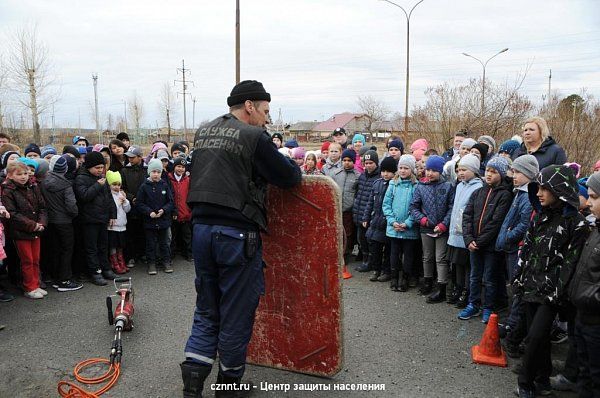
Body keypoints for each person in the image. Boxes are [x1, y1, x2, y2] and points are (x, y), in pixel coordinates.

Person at [182, 80, 302, 396]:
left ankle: (192, 383)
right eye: (264, 111)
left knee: (207, 308)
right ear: (249, 106)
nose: (266, 119)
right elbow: (289, 177)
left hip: (201, 231)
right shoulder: (253, 136)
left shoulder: (204, 131)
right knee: (236, 312)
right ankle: (229, 385)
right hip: (236, 234)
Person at [512, 164, 589, 398]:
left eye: (544, 188)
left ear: (560, 189)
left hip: (552, 293)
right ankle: (542, 379)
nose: (538, 193)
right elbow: (527, 248)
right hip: (530, 286)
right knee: (540, 338)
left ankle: (524, 382)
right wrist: (519, 277)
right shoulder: (541, 216)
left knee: (535, 336)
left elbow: (570, 263)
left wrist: (558, 293)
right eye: (538, 187)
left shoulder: (577, 224)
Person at [458, 156, 513, 323]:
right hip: (473, 244)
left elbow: (496, 222)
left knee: (489, 278)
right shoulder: (478, 192)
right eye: (488, 170)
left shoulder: (505, 195)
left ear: (502, 174)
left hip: (489, 246)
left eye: (494, 171)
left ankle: (489, 306)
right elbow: (467, 215)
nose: (489, 174)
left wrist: (480, 242)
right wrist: (469, 239)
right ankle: (473, 304)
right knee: (474, 276)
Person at [496, 155, 539, 351]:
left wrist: (507, 237)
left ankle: (513, 329)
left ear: (529, 175)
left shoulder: (529, 197)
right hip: (510, 247)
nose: (513, 175)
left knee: (517, 288)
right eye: (513, 171)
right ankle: (511, 324)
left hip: (516, 248)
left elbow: (524, 224)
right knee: (512, 287)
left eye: (518, 172)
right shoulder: (519, 192)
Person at [568, 172, 600, 398]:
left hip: (596, 319)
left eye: (594, 197)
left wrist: (591, 299)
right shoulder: (595, 229)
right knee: (584, 373)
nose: (588, 202)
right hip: (583, 314)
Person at [409, 155, 454, 302]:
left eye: (434, 170)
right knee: (427, 256)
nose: (430, 173)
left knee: (440, 258)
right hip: (426, 228)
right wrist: (422, 220)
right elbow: (414, 207)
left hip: (442, 229)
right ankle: (427, 281)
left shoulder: (448, 186)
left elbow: (451, 207)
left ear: (440, 171)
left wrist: (444, 224)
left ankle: (441, 287)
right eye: (428, 169)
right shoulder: (420, 187)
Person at [3, 161, 47, 299]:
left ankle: (36, 284)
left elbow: (42, 207)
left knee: (36, 258)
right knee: (27, 260)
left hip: (36, 229)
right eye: (19, 174)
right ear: (10, 175)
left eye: (25, 173)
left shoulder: (33, 186)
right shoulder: (8, 190)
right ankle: (29, 287)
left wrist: (41, 223)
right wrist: (32, 225)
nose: (23, 177)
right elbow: (13, 213)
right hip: (21, 232)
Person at [74, 151, 118, 286]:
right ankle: (95, 271)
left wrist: (112, 214)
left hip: (102, 218)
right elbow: (84, 196)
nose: (100, 170)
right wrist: (97, 185)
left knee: (103, 246)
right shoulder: (81, 178)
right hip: (89, 220)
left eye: (102, 167)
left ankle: (106, 268)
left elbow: (109, 197)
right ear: (89, 166)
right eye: (97, 168)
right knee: (91, 248)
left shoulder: (102, 178)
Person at [446, 154, 483, 307]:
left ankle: (466, 292)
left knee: (467, 266)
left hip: (466, 234)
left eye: (464, 170)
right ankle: (458, 287)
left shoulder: (478, 187)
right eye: (459, 169)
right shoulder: (459, 185)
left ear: (474, 170)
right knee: (457, 265)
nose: (460, 173)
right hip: (454, 233)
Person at [40, 156, 82, 292]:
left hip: (50, 221)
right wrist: (74, 214)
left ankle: (56, 277)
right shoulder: (66, 184)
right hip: (64, 222)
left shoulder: (44, 182)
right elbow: (72, 207)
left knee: (55, 250)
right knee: (66, 250)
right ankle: (65, 280)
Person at [382, 154, 419, 291]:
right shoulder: (393, 184)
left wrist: (408, 222)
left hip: (408, 228)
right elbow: (386, 204)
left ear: (412, 170)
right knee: (394, 254)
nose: (403, 171)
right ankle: (394, 277)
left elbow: (417, 206)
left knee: (408, 255)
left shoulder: (416, 186)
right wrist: (392, 221)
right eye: (401, 168)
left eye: (406, 168)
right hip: (394, 227)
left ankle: (405, 278)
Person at [136, 158, 174, 275]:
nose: (156, 174)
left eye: (158, 172)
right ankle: (151, 263)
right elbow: (140, 203)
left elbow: (170, 202)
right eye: (154, 172)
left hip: (163, 220)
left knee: (164, 243)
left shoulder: (164, 185)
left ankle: (166, 261)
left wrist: (164, 210)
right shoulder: (144, 186)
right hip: (149, 220)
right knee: (150, 243)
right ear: (149, 172)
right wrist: (149, 212)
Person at [363, 156, 395, 282]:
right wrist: (366, 217)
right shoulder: (377, 184)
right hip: (376, 220)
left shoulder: (394, 185)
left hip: (387, 221)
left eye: (388, 172)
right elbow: (370, 202)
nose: (385, 174)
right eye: (383, 171)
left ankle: (386, 271)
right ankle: (376, 269)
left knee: (387, 249)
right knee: (374, 247)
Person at [331, 149, 360, 267]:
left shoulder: (358, 176)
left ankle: (346, 253)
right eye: (344, 160)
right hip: (337, 209)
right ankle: (337, 253)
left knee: (348, 233)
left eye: (349, 160)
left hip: (349, 210)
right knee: (337, 232)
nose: (346, 163)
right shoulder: (335, 174)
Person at [353, 150, 380, 272]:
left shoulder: (378, 178)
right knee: (361, 239)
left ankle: (371, 262)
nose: (368, 165)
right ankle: (365, 260)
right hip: (360, 213)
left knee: (369, 241)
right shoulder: (362, 176)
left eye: (371, 163)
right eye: (366, 163)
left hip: (370, 215)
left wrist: (369, 216)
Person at [120, 146, 147, 268]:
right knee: (130, 232)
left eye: (133, 157)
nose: (130, 159)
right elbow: (122, 188)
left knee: (144, 231)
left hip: (145, 206)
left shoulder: (146, 170)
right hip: (130, 206)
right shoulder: (124, 171)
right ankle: (131, 256)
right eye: (128, 157)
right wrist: (132, 198)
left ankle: (143, 254)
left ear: (140, 157)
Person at [168, 156, 193, 262]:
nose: (180, 169)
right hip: (173, 213)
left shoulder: (187, 180)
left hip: (185, 213)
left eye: (183, 167)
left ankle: (188, 253)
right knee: (172, 236)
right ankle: (171, 254)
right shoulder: (169, 179)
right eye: (178, 166)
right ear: (174, 167)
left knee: (187, 236)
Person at [106, 170, 130, 274]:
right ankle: (115, 263)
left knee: (121, 246)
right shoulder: (108, 196)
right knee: (113, 246)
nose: (117, 187)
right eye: (114, 184)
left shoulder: (121, 194)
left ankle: (121, 262)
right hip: (113, 226)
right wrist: (118, 204)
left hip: (122, 225)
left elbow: (127, 209)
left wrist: (125, 201)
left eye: (118, 184)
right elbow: (110, 209)